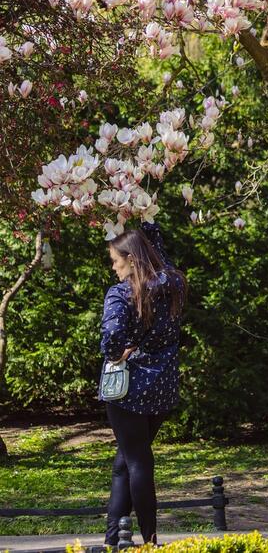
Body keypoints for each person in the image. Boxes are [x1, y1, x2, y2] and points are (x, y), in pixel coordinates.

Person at [100, 222, 186, 546]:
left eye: (115, 260)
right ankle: (112, 540)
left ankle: (149, 540)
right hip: (161, 386)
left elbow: (111, 336)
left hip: (127, 389)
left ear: (132, 260)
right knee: (126, 460)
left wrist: (117, 354)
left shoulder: (123, 293)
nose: (113, 267)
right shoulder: (173, 285)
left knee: (136, 462)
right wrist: (147, 219)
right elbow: (158, 255)